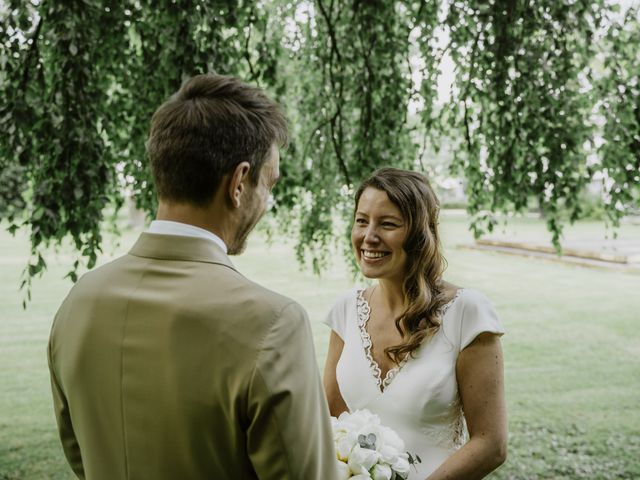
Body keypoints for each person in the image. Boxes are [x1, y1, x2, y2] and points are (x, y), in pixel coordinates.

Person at [48, 73, 338, 480]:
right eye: (268, 184)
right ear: (239, 183)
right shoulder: (272, 323)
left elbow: (79, 454)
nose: (266, 202)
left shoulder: (78, 302)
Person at [323, 168, 507, 479]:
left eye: (388, 224)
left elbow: (491, 444)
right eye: (361, 221)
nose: (369, 236)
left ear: (420, 234)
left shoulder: (467, 312)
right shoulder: (345, 309)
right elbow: (329, 420)